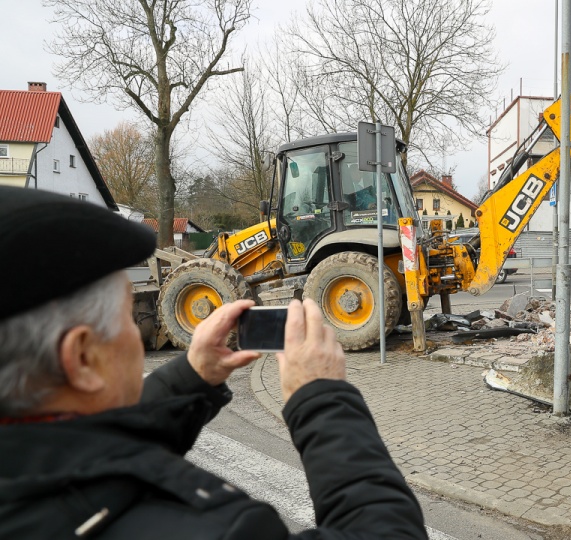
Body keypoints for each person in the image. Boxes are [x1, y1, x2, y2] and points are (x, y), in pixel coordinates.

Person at [0, 186, 427, 539]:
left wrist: (191, 376)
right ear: (83, 359)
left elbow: (86, 448)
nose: (139, 333)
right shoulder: (220, 529)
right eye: (128, 317)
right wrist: (322, 397)